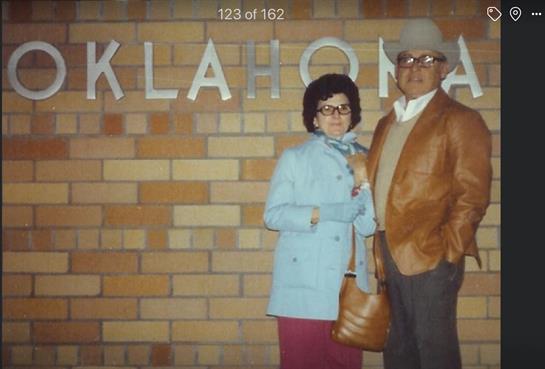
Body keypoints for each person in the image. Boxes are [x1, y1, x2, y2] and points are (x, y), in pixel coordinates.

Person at [367, 19, 492, 369]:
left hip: (431, 255)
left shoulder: (460, 120)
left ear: (443, 68)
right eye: (407, 59)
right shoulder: (386, 123)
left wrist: (447, 251)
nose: (415, 67)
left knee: (434, 354)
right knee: (399, 352)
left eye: (426, 60)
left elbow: (473, 195)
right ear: (396, 71)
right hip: (388, 253)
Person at [264, 73, 377, 369]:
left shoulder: (367, 159)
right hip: (302, 287)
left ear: (353, 114)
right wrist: (326, 212)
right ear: (313, 118)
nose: (336, 115)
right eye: (326, 108)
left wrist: (364, 192)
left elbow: (367, 228)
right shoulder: (295, 158)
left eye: (343, 108)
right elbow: (273, 215)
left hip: (347, 289)